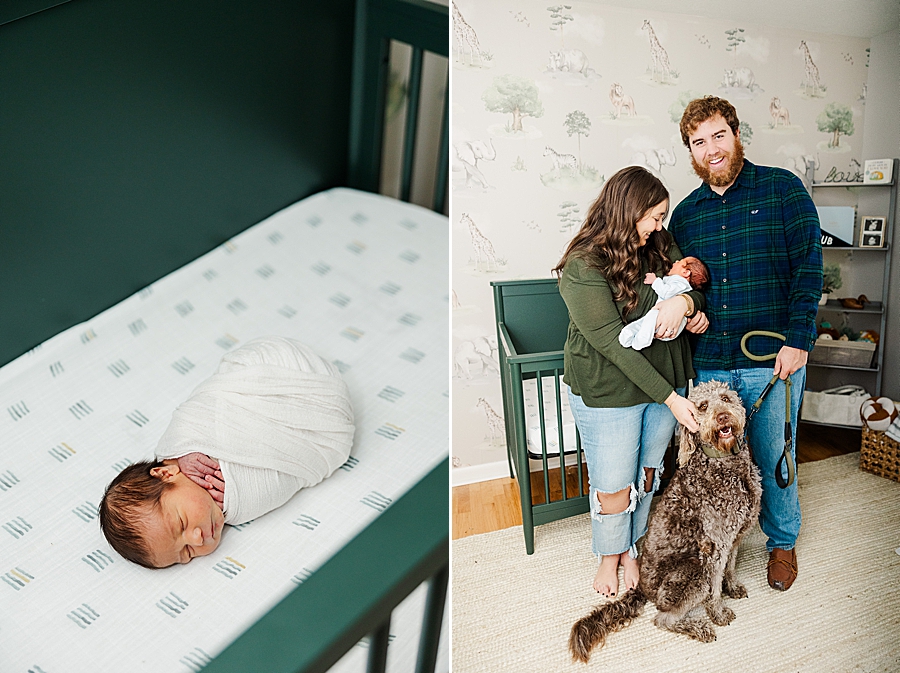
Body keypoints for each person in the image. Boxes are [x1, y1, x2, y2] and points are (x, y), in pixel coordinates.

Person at [668, 96, 822, 592]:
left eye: (718, 135)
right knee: (712, 462)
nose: (710, 149)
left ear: (735, 134)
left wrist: (799, 340)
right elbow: (682, 287)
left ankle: (781, 541)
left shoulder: (783, 189)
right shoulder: (686, 215)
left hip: (771, 360)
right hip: (710, 363)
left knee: (774, 452)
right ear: (691, 152)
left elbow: (809, 269)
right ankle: (716, 540)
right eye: (698, 142)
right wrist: (690, 297)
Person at [553, 165, 705, 597]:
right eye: (654, 216)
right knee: (615, 484)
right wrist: (673, 399)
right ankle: (609, 555)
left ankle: (632, 547)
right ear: (627, 210)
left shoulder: (657, 242)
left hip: (665, 378)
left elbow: (692, 280)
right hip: (610, 388)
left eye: (662, 217)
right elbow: (612, 344)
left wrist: (685, 305)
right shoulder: (583, 264)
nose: (660, 226)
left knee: (647, 475)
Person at [99, 336, 355, 568]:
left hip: (275, 369)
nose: (197, 539)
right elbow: (279, 484)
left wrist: (187, 452)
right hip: (325, 430)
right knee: (328, 437)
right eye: (186, 553)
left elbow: (203, 412)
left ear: (165, 474)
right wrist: (240, 497)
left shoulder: (178, 443)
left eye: (181, 524)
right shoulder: (236, 507)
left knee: (249, 363)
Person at [619, 256, 710, 350]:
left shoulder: (680, 283)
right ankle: (629, 333)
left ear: (686, 272)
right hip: (669, 325)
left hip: (666, 320)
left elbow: (666, 292)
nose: (676, 261)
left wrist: (655, 281)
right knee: (645, 321)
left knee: (650, 317)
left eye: (680, 262)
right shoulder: (680, 283)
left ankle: (643, 339)